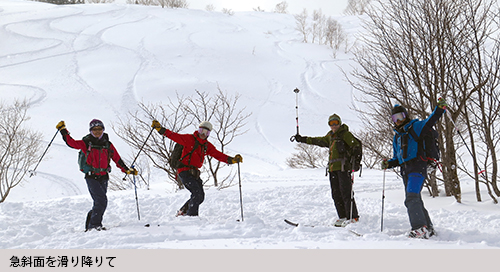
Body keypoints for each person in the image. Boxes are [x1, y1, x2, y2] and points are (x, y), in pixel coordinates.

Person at [381, 98, 447, 239]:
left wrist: (439, 109)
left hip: (418, 166)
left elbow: (430, 120)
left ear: (405, 115)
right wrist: (389, 163)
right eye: (395, 118)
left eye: (400, 116)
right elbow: (397, 158)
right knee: (414, 198)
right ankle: (427, 227)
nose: (398, 120)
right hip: (405, 170)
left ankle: (419, 228)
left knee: (411, 198)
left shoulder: (415, 127)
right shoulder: (397, 137)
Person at [56, 119, 137, 231]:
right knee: (101, 201)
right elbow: (72, 143)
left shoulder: (107, 144)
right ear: (91, 131)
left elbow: (116, 158)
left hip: (104, 176)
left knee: (99, 202)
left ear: (103, 130)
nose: (97, 131)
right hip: (91, 176)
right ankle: (94, 226)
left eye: (99, 129)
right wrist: (63, 130)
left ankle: (91, 224)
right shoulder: (86, 143)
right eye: (94, 129)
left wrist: (126, 170)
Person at [151, 120, 243, 216]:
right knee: (196, 193)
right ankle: (191, 216)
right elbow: (173, 136)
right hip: (184, 171)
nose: (203, 134)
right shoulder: (188, 139)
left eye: (206, 132)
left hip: (194, 173)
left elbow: (218, 155)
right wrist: (160, 129)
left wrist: (232, 160)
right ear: (198, 130)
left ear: (208, 134)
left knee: (200, 196)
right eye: (201, 130)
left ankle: (183, 211)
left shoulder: (206, 146)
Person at [294, 114, 361, 227]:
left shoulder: (345, 134)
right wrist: (303, 139)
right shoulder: (330, 136)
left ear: (339, 123)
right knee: (336, 193)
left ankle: (353, 216)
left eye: (335, 123)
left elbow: (357, 146)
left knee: (346, 192)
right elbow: (317, 140)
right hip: (332, 169)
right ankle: (342, 216)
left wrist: (355, 161)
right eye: (331, 123)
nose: (334, 125)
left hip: (344, 168)